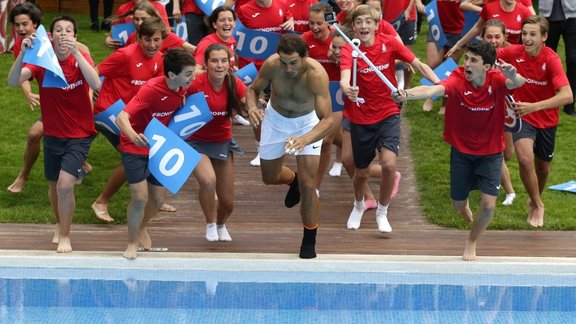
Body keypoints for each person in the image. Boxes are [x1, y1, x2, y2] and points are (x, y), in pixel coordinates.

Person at [394, 41, 526, 261]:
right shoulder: (457, 79)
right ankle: (463, 205)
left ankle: (472, 241)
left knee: (488, 204)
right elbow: (432, 89)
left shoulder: (497, 80)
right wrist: (406, 94)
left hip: (491, 153)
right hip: (462, 152)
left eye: (473, 60)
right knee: (457, 203)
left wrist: (512, 74)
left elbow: (517, 83)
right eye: (466, 58)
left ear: (487, 66)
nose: (467, 63)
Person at [339, 5, 439, 232]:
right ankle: (358, 204)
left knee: (389, 164)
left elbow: (417, 64)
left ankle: (382, 211)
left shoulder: (391, 43)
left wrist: (438, 83)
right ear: (353, 27)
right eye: (359, 22)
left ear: (376, 25)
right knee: (361, 172)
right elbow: (345, 78)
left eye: (368, 22)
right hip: (361, 117)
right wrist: (348, 89)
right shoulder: (349, 50)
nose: (363, 26)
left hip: (388, 113)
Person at [7, 15, 102, 253]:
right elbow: (12, 80)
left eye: (68, 30)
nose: (63, 34)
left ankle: (67, 235)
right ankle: (60, 224)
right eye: (58, 30)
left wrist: (78, 54)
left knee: (65, 184)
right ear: (50, 37)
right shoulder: (42, 63)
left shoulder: (80, 60)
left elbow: (97, 85)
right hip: (52, 134)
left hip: (79, 134)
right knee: (53, 185)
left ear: (74, 37)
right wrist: (22, 55)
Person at [246, 34, 334, 259]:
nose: (288, 68)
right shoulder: (272, 65)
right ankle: (292, 180)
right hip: (276, 121)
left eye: (293, 62)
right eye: (284, 62)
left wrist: (306, 139)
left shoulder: (316, 75)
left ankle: (309, 238)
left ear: (304, 57)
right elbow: (252, 90)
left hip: (306, 124)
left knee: (308, 184)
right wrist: (252, 108)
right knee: (269, 177)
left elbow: (328, 120)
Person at [115, 48, 196, 260]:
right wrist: (133, 136)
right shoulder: (150, 89)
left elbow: (202, 74)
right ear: (171, 75)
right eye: (188, 74)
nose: (192, 78)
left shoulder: (182, 85)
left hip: (159, 143)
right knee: (140, 197)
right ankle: (131, 242)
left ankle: (141, 226)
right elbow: (122, 118)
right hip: (135, 143)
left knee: (158, 201)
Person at [497, 15, 573, 227]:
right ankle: (538, 204)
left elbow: (567, 96)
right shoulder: (513, 52)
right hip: (522, 116)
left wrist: (535, 106)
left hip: (546, 119)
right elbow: (487, 56)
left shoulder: (551, 60)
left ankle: (534, 197)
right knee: (524, 159)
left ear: (544, 37)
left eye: (532, 34)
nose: (527, 38)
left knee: (543, 168)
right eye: (524, 34)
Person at [91, 17, 166, 223]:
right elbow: (95, 72)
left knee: (146, 153)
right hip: (110, 112)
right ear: (139, 38)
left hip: (132, 113)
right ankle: (101, 201)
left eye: (156, 40)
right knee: (134, 155)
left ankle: (154, 197)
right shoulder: (124, 55)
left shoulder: (159, 58)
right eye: (147, 40)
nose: (152, 45)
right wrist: (93, 92)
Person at [187, 43, 248, 242]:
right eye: (214, 61)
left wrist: (256, 108)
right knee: (207, 180)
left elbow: (249, 99)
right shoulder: (195, 82)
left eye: (224, 60)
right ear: (205, 64)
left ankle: (221, 224)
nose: (220, 65)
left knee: (228, 202)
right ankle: (210, 223)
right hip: (195, 141)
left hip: (222, 141)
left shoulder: (233, 82)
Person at [482, 19, 516, 205]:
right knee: (495, 151)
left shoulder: (512, 55)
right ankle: (509, 192)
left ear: (504, 37)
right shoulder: (476, 55)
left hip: (507, 110)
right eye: (489, 37)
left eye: (497, 37)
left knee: (508, 153)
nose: (493, 41)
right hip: (483, 111)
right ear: (483, 37)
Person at [447, 0, 532, 57]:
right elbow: (477, 28)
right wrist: (458, 44)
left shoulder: (524, 12)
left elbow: (534, 33)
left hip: (513, 57)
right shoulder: (489, 7)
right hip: (490, 55)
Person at [539, 0, 576, 116]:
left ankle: (569, 105)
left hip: (572, 16)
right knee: (545, 60)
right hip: (548, 18)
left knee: (573, 60)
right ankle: (546, 101)